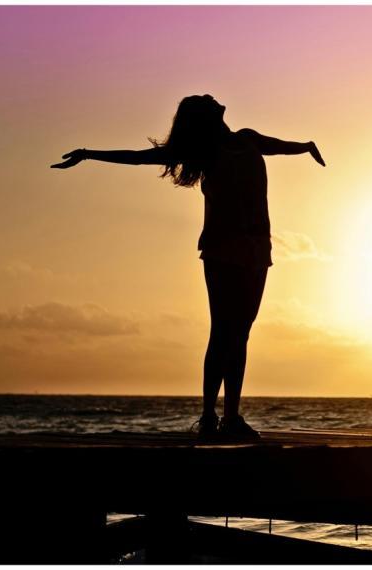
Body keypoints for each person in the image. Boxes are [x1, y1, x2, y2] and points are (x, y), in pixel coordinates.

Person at [51, 94, 325, 439]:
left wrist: (307, 146)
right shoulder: (205, 151)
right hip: (222, 248)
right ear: (204, 117)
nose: (214, 98)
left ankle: (232, 417)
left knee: (240, 334)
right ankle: (210, 416)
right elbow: (139, 159)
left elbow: (281, 146)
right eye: (206, 101)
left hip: (258, 249)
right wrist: (89, 154)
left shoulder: (248, 139)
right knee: (223, 331)